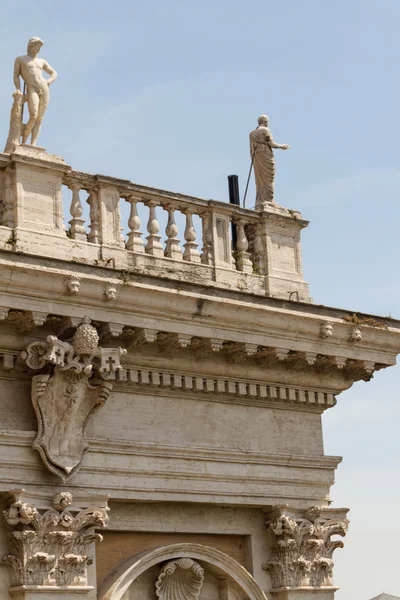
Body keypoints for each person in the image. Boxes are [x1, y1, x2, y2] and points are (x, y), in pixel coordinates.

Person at [13, 37, 57, 146]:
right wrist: (18, 89)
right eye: (38, 46)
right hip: (31, 86)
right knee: (33, 115)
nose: (39, 48)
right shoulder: (21, 59)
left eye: (40, 46)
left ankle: (33, 144)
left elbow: (54, 73)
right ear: (31, 45)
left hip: (44, 87)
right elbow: (16, 75)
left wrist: (48, 82)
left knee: (39, 119)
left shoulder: (41, 61)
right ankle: (24, 139)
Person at [249, 115, 290, 206]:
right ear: (265, 121)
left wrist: (254, 159)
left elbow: (251, 149)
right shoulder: (265, 130)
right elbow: (271, 143)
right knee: (268, 178)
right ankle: (268, 200)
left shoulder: (251, 133)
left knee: (260, 179)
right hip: (266, 155)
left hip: (257, 157)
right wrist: (282, 146)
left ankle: (260, 200)